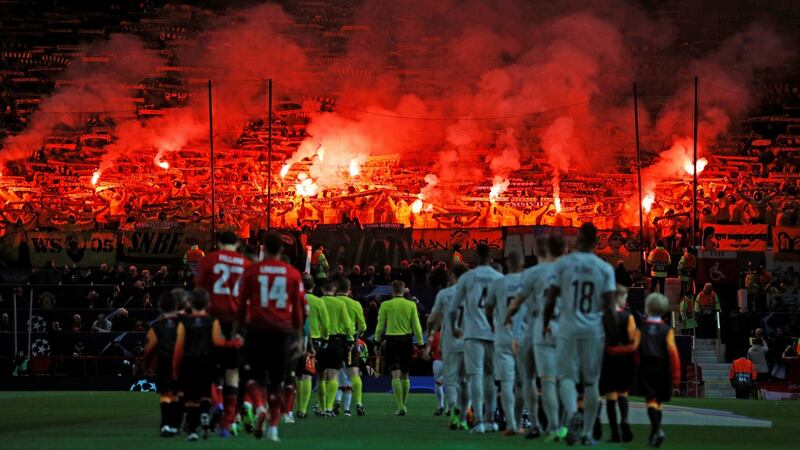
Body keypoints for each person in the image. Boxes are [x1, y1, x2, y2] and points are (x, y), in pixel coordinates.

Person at [544, 223, 616, 446]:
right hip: (594, 329)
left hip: (567, 327)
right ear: (596, 241)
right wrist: (613, 336)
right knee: (591, 382)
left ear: (578, 238)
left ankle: (573, 412)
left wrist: (545, 323)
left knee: (566, 377)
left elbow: (551, 297)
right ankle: (586, 433)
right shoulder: (604, 268)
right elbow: (610, 306)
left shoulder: (564, 263)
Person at [235, 232, 305, 442]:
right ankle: (273, 427)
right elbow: (299, 310)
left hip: (257, 330)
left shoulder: (252, 271)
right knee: (277, 382)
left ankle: (259, 406)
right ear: (282, 250)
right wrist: (299, 336)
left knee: (253, 377)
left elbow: (241, 304)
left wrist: (237, 330)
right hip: (282, 332)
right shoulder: (293, 274)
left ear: (263, 248)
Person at [507, 235, 566, 442]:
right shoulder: (568, 271)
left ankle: (537, 423)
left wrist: (509, 323)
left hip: (534, 329)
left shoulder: (532, 273)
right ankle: (558, 424)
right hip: (562, 329)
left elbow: (518, 304)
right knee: (557, 380)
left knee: (529, 380)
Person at [194, 230, 249, 437]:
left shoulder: (208, 261)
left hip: (212, 322)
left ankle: (215, 408)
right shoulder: (245, 264)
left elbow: (198, 293)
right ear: (236, 244)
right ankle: (230, 420)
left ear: (218, 242)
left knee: (208, 372)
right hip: (236, 324)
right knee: (233, 373)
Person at [172, 288, 243, 442]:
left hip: (188, 362)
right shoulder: (213, 321)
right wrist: (234, 343)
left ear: (190, 303)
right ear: (208, 304)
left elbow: (179, 345)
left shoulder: (185, 321)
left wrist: (176, 366)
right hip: (206, 362)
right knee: (205, 394)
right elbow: (218, 342)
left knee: (191, 397)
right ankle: (206, 413)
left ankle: (192, 431)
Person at [448, 243, 503, 434]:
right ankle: (491, 420)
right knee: (490, 377)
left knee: (475, 377)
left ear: (476, 256)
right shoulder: (499, 278)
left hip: (473, 333)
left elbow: (454, 307)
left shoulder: (468, 277)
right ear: (491, 256)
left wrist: (455, 327)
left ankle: (478, 420)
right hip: (494, 334)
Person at [485, 251, 525, 436]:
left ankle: (510, 423)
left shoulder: (498, 283)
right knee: (522, 383)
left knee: (506, 383)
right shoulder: (528, 281)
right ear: (522, 263)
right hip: (523, 337)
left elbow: (488, 308)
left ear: (508, 265)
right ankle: (519, 421)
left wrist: (493, 324)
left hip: (503, 336)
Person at [426, 264, 469, 430]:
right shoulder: (472, 293)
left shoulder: (444, 294)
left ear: (452, 276)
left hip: (450, 342)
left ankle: (454, 413)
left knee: (450, 381)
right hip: (469, 341)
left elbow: (433, 318)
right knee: (467, 380)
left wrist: (430, 334)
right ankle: (466, 414)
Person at [375, 280, 425, 415]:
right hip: (406, 341)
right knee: (405, 375)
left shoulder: (386, 305)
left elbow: (380, 326)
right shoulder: (411, 305)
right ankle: (403, 404)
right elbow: (417, 326)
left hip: (392, 341)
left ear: (392, 290)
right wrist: (420, 343)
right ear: (403, 290)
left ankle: (400, 406)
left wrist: (376, 341)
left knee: (395, 375)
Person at [638, 293, 681, 448]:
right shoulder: (666, 329)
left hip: (646, 367)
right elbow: (673, 353)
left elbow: (636, 351)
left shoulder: (642, 328)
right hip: (662, 368)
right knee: (659, 402)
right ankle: (654, 434)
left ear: (648, 308)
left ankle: (656, 431)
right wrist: (676, 375)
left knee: (650, 400)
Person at [143, 289, 187, 437]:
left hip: (164, 362)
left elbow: (148, 349)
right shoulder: (184, 323)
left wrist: (147, 365)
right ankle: (175, 425)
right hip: (181, 363)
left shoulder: (157, 326)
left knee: (166, 394)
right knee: (179, 393)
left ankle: (165, 425)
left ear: (161, 306)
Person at [601, 285, 639, 443]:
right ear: (619, 298)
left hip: (608, 358)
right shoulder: (628, 317)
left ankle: (615, 432)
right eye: (624, 298)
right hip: (624, 359)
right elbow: (632, 338)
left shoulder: (604, 316)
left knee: (610, 395)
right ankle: (624, 419)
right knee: (623, 393)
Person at [317, 279, 354, 416]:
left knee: (321, 376)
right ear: (334, 290)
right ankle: (328, 408)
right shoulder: (340, 303)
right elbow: (347, 324)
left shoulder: (317, 301)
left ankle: (321, 407)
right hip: (336, 341)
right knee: (334, 375)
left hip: (320, 341)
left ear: (322, 289)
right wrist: (350, 339)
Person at [296, 274, 329, 419]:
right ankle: (303, 410)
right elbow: (325, 324)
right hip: (313, 341)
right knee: (308, 375)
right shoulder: (318, 302)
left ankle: (296, 408)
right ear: (313, 286)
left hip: (295, 339)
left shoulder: (295, 299)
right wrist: (325, 337)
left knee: (296, 376)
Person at [335, 275, 367, 416]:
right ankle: (359, 403)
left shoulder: (331, 301)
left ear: (336, 289)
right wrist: (357, 336)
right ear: (349, 289)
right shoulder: (355, 304)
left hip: (333, 340)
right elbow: (363, 326)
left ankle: (327, 406)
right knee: (354, 373)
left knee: (331, 374)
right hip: (351, 341)